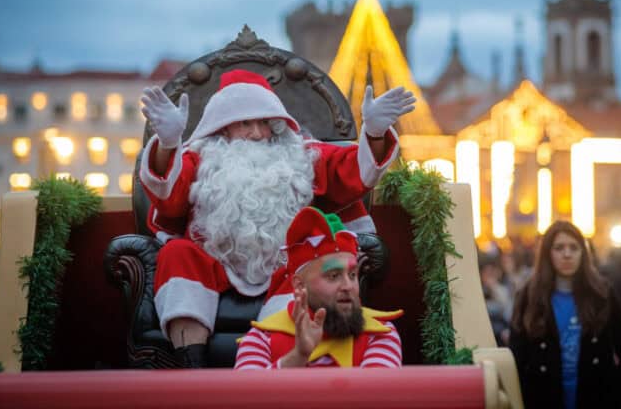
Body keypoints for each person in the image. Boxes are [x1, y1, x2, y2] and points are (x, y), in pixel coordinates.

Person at [139, 69, 415, 367]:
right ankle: (192, 366)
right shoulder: (201, 159)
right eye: (245, 123)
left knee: (304, 270)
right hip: (214, 259)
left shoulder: (300, 156)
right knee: (177, 254)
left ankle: (279, 366)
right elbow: (169, 198)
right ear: (223, 126)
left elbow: (351, 172)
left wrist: (374, 133)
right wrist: (168, 144)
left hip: (284, 263)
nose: (258, 133)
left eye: (265, 123)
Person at [234, 206, 402, 369]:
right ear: (299, 285)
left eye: (352, 275)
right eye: (333, 276)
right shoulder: (261, 338)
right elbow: (247, 388)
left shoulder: (381, 333)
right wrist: (298, 356)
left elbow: (377, 388)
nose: (348, 286)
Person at [509, 221, 621, 409]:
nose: (567, 254)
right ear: (547, 253)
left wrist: (619, 399)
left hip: (595, 399)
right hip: (543, 399)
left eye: (574, 247)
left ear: (583, 253)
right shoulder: (529, 296)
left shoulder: (602, 294)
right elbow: (516, 358)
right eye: (559, 248)